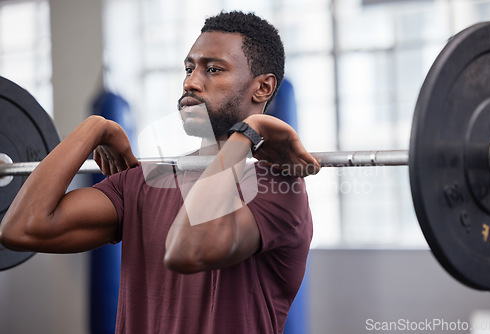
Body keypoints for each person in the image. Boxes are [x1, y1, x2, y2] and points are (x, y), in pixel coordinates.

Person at [0, 11, 319, 334]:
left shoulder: (278, 191)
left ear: (263, 88)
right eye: (189, 68)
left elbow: (189, 249)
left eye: (213, 69)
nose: (190, 82)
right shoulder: (141, 181)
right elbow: (21, 228)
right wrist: (93, 128)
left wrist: (249, 132)